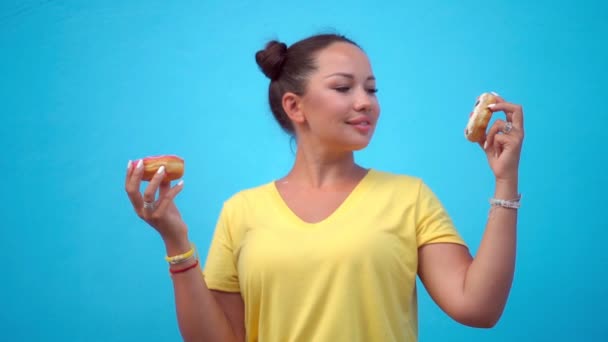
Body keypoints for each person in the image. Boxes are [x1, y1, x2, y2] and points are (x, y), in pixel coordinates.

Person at [125, 33, 524, 342]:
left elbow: (478, 308)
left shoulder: (409, 197)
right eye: (343, 87)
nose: (365, 101)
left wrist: (505, 180)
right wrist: (176, 242)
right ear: (295, 107)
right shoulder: (241, 211)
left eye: (371, 88)